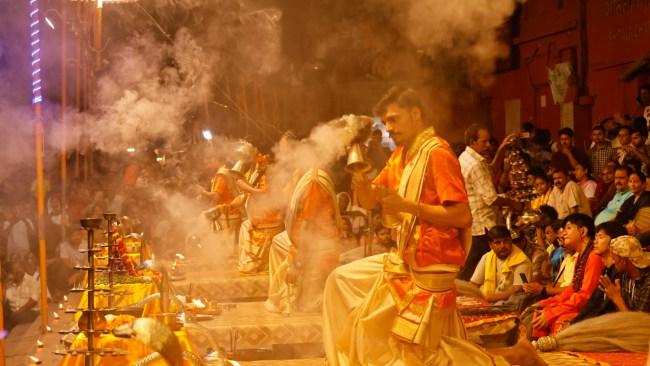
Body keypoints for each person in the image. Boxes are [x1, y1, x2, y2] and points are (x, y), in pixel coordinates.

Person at [323, 87, 506, 365]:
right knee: (340, 281)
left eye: (394, 119)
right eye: (385, 122)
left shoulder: (437, 153)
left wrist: (406, 207)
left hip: (432, 265)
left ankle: (511, 357)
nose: (389, 128)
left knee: (422, 356)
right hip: (405, 259)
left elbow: (461, 216)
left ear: (416, 114)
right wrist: (357, 167)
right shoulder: (400, 157)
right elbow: (371, 199)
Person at [266, 168, 341, 314]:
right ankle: (281, 293)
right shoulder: (314, 174)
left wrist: (297, 263)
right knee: (278, 240)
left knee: (277, 242)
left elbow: (308, 228)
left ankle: (285, 297)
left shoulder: (313, 183)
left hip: (317, 241)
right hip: (314, 236)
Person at [457, 124, 521, 280]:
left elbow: (489, 171)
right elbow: (491, 198)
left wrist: (501, 149)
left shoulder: (466, 157)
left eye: (489, 142)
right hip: (483, 224)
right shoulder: (475, 164)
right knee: (476, 267)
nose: (488, 145)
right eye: (484, 142)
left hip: (473, 222)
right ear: (473, 142)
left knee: (474, 266)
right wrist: (513, 203)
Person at [530, 213, 604, 338]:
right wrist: (548, 302)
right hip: (580, 305)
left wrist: (553, 312)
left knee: (557, 320)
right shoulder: (581, 255)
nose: (563, 234)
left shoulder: (593, 256)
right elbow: (572, 289)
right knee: (538, 310)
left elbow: (586, 296)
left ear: (583, 231)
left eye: (568, 228)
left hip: (592, 311)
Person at [572, 221, 627, 323]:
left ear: (614, 241)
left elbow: (604, 308)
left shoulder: (619, 272)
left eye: (600, 237)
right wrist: (574, 323)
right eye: (596, 237)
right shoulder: (606, 270)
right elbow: (593, 302)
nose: (595, 241)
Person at [470, 225, 532, 303]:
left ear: (511, 241)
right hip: (487, 303)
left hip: (511, 305)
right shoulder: (487, 257)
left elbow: (518, 290)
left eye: (506, 241)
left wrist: (490, 298)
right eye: (497, 243)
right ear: (490, 245)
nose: (502, 246)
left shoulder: (522, 260)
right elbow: (474, 284)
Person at [599, 235, 650, 313]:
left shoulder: (647, 282)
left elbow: (638, 322)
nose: (613, 262)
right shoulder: (625, 275)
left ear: (623, 261)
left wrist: (616, 298)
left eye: (614, 258)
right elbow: (623, 312)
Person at [4, 257, 40, 331]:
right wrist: (5, 285)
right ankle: (4, 337)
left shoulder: (32, 281)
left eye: (19, 268)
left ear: (23, 268)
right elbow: (3, 300)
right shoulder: (9, 285)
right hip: (14, 314)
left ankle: (4, 335)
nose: (18, 271)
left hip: (30, 312)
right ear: (12, 272)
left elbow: (33, 300)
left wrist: (19, 312)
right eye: (15, 270)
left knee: (14, 320)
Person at [615, 170, 650, 236]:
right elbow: (619, 216)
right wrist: (624, 226)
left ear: (644, 184)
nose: (632, 184)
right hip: (625, 229)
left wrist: (638, 230)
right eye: (630, 181)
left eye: (636, 182)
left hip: (641, 233)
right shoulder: (630, 199)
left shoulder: (648, 198)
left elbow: (643, 220)